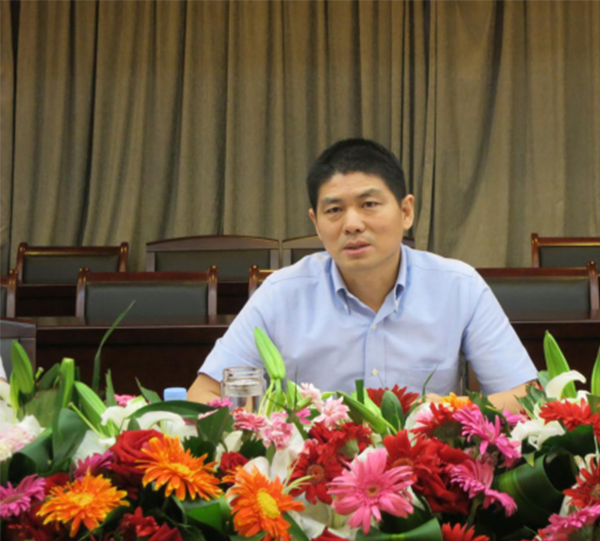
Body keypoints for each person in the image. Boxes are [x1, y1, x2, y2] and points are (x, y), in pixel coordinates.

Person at [188, 138, 537, 410]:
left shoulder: (459, 287)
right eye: (334, 210)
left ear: (406, 211)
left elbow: (526, 395)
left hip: (425, 471)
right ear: (316, 223)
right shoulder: (280, 294)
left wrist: (451, 412)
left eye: (369, 205)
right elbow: (203, 394)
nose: (352, 224)